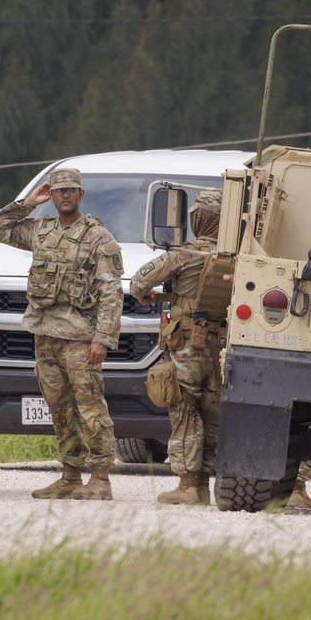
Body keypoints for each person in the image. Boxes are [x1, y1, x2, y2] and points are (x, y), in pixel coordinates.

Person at [0, 168, 124, 500]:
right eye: (59, 190)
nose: (64, 195)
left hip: (80, 338)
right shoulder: (40, 231)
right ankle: (70, 475)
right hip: (45, 335)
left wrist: (102, 338)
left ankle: (101, 478)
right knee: (59, 408)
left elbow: (111, 292)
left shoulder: (97, 238)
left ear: (80, 195)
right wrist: (29, 203)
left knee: (90, 407)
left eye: (70, 190)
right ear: (53, 195)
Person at [128, 190, 225, 505]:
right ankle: (202, 488)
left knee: (183, 411)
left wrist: (149, 293)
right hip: (220, 348)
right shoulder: (234, 258)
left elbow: (138, 282)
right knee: (211, 417)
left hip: (186, 346)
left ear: (200, 219)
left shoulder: (185, 254)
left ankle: (186, 485)